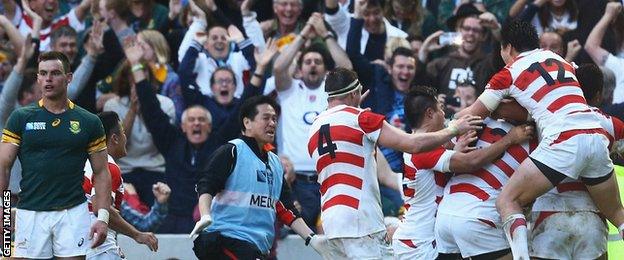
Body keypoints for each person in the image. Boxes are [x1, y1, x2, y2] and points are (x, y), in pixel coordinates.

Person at [455, 20, 624, 260]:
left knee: (508, 200)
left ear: (508, 47)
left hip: (552, 203)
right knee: (619, 214)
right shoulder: (564, 64)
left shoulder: (509, 73)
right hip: (594, 147)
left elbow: (473, 114)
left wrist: (451, 121)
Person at [307, 68, 482, 259]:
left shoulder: (314, 126)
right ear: (355, 93)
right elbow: (413, 144)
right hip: (361, 221)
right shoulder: (362, 119)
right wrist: (454, 129)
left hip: (330, 222)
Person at [394, 87, 533, 260]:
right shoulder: (421, 149)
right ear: (430, 113)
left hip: (429, 238)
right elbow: (471, 162)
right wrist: (509, 139)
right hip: (418, 245)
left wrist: (455, 150)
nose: (444, 115)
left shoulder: (423, 145)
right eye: (441, 110)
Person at [0, 51, 111, 258]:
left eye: (55, 73)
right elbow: (2, 166)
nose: (48, 79)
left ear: (68, 78)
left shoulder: (89, 122)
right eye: (43, 73)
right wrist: (3, 211)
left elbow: (102, 172)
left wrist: (103, 218)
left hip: (73, 212)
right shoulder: (20, 118)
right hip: (30, 212)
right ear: (38, 78)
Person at [190, 96, 327, 259]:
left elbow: (285, 207)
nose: (272, 123)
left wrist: (312, 239)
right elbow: (206, 185)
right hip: (226, 242)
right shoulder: (232, 151)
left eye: (275, 119)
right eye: (266, 118)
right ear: (247, 123)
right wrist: (205, 215)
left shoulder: (275, 162)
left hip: (256, 248)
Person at [528, 63, 624, 259]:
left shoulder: (543, 120)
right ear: (599, 95)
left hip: (547, 217)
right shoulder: (614, 125)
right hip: (591, 219)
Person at [84, 111, 159, 259]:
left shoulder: (85, 164)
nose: (126, 137)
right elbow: (100, 207)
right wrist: (137, 235)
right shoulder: (109, 167)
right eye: (123, 133)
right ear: (115, 138)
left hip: (79, 243)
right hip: (99, 246)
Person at [584, 2, 624, 104]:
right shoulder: (619, 65)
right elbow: (591, 46)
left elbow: (591, 46)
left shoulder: (619, 65)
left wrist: (609, 15)